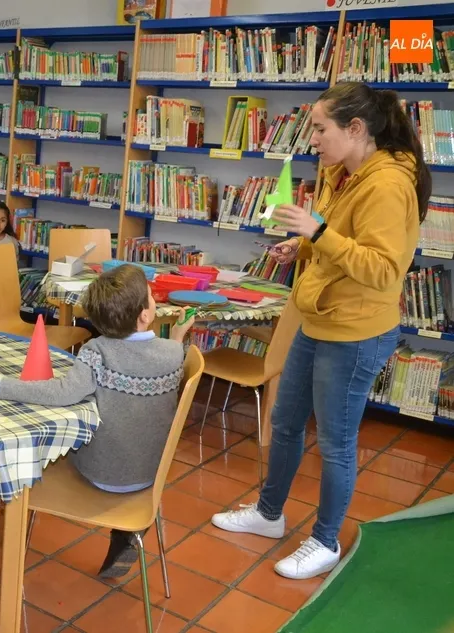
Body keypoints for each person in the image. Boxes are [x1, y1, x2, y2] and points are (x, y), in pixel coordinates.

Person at [212, 82, 430, 580]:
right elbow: (339, 241)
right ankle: (269, 514)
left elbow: (382, 270)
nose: (311, 138)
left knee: (335, 442)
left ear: (356, 130)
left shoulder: (388, 185)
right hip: (319, 317)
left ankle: (326, 540)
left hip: (355, 332)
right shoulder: (344, 171)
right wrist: (305, 247)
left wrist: (318, 234)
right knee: (285, 424)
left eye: (319, 128)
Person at [0, 264, 194, 577]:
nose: (155, 301)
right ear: (144, 316)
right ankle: (126, 530)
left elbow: (62, 392)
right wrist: (179, 336)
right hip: (151, 476)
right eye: (152, 298)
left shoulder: (95, 351)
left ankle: (13, 543)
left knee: (53, 450)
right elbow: (169, 355)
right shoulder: (173, 353)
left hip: (100, 473)